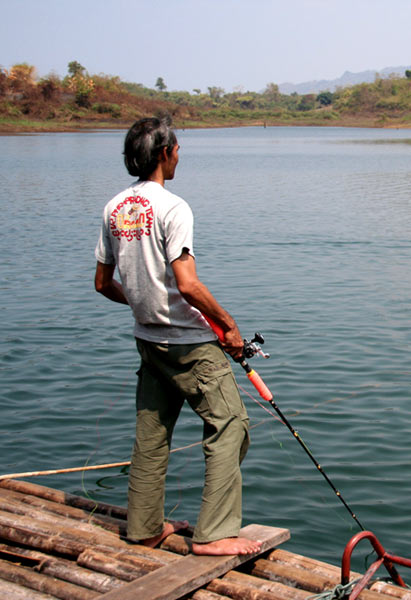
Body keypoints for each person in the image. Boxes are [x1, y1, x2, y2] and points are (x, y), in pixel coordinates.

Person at [94, 117, 262, 556]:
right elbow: (187, 284)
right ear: (164, 153)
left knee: (151, 431)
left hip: (148, 340)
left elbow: (102, 282)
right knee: (231, 425)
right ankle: (215, 534)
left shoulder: (114, 207)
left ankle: (145, 527)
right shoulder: (174, 207)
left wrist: (142, 304)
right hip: (189, 344)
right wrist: (228, 325)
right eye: (177, 149)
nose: (179, 155)